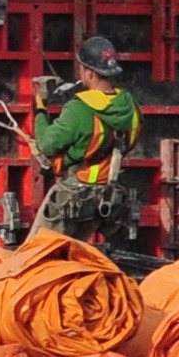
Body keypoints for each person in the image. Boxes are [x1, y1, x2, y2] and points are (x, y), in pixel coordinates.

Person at [28, 34, 146, 248]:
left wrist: (40, 109)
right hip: (105, 197)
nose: (79, 73)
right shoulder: (131, 105)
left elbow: (47, 144)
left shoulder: (79, 108)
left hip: (73, 194)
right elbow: (124, 140)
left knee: (37, 255)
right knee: (74, 255)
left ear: (90, 73)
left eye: (81, 69)